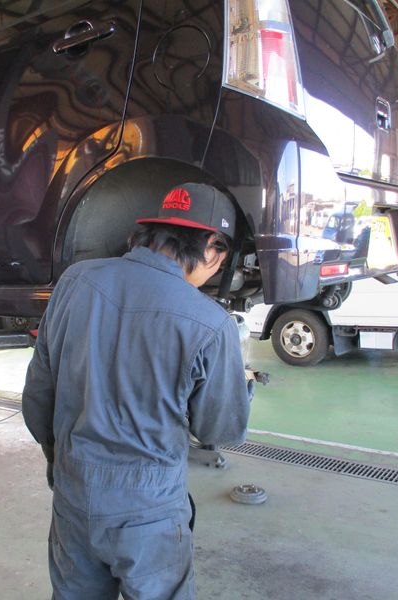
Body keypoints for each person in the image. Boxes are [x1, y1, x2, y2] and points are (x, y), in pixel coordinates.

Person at [22, 182, 252, 599]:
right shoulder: (210, 322)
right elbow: (220, 430)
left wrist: (64, 463)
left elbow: (38, 397)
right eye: (219, 263)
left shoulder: (75, 281)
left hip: (73, 497)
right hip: (149, 513)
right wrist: (243, 387)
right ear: (211, 248)